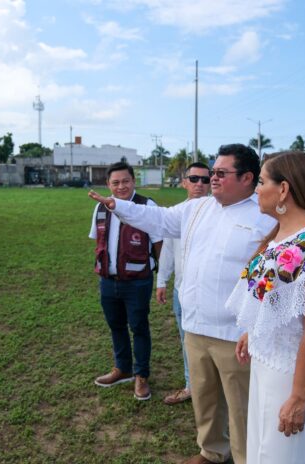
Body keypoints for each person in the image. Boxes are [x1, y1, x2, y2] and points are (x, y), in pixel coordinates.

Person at [89, 144, 276, 464]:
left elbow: (271, 277)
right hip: (195, 323)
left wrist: (254, 324)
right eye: (211, 173)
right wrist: (119, 205)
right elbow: (157, 218)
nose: (212, 178)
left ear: (247, 178)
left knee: (241, 405)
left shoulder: (264, 216)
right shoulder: (197, 209)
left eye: (220, 173)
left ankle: (247, 458)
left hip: (236, 332)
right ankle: (212, 451)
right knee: (204, 397)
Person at [227, 151, 305, 464]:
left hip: (290, 373)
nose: (256, 189)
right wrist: (253, 331)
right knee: (261, 450)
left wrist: (298, 396)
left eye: (263, 181)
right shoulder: (281, 234)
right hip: (267, 363)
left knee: (281, 455)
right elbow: (276, 300)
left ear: (283, 190)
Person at [88, 161, 163, 401]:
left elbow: (159, 241)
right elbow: (98, 240)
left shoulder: (147, 205)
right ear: (108, 184)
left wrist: (161, 275)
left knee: (139, 327)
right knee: (116, 325)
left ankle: (141, 375)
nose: (121, 186)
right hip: (108, 281)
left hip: (138, 280)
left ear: (134, 181)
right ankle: (123, 368)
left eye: (126, 181)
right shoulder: (100, 208)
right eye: (115, 182)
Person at [156, 162, 212, 405]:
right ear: (184, 182)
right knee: (186, 340)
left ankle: (214, 388)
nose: (199, 184)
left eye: (205, 180)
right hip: (181, 291)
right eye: (194, 179)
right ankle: (192, 385)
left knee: (215, 343)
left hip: (210, 292)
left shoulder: (218, 213)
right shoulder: (175, 214)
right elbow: (168, 250)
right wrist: (161, 281)